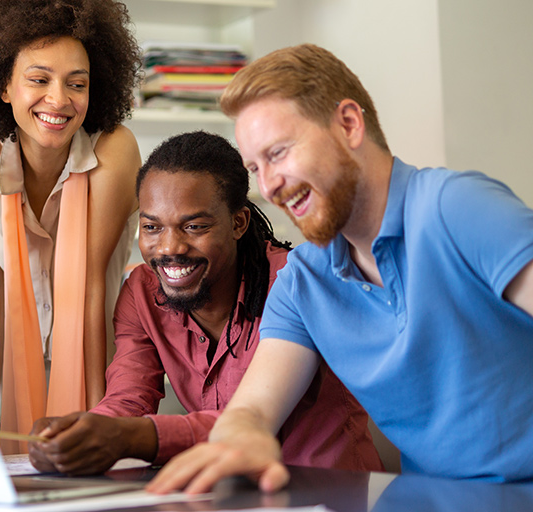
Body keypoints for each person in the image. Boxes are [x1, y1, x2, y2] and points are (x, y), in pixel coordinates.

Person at [148, 43, 533, 495]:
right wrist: (241, 440)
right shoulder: (303, 281)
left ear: (349, 124)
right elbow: (252, 412)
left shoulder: (456, 207)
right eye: (256, 167)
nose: (269, 186)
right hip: (434, 500)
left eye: (279, 153)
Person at [26, 131, 383, 476]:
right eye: (152, 228)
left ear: (238, 222)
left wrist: (129, 437)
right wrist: (82, 433)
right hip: (225, 493)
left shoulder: (297, 283)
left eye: (194, 227)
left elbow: (254, 421)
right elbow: (129, 399)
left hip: (327, 491)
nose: (169, 248)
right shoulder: (142, 292)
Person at [0, 0, 141, 448]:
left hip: (101, 371)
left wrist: (101, 420)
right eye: (39, 79)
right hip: (17, 373)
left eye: (77, 83)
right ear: (4, 86)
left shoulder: (113, 150)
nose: (59, 99)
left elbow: (91, 286)